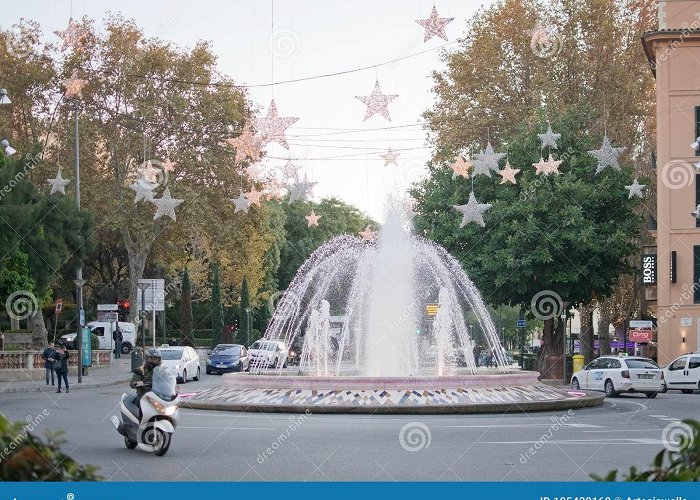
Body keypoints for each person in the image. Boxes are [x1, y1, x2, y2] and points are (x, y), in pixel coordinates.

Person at [130, 348, 161, 416]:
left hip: (158, 396)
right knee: (140, 403)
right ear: (147, 359)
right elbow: (133, 383)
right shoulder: (141, 370)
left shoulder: (161, 371)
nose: (154, 360)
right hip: (144, 395)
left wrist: (173, 386)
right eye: (151, 358)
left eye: (156, 358)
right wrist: (137, 383)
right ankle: (140, 422)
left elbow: (167, 380)